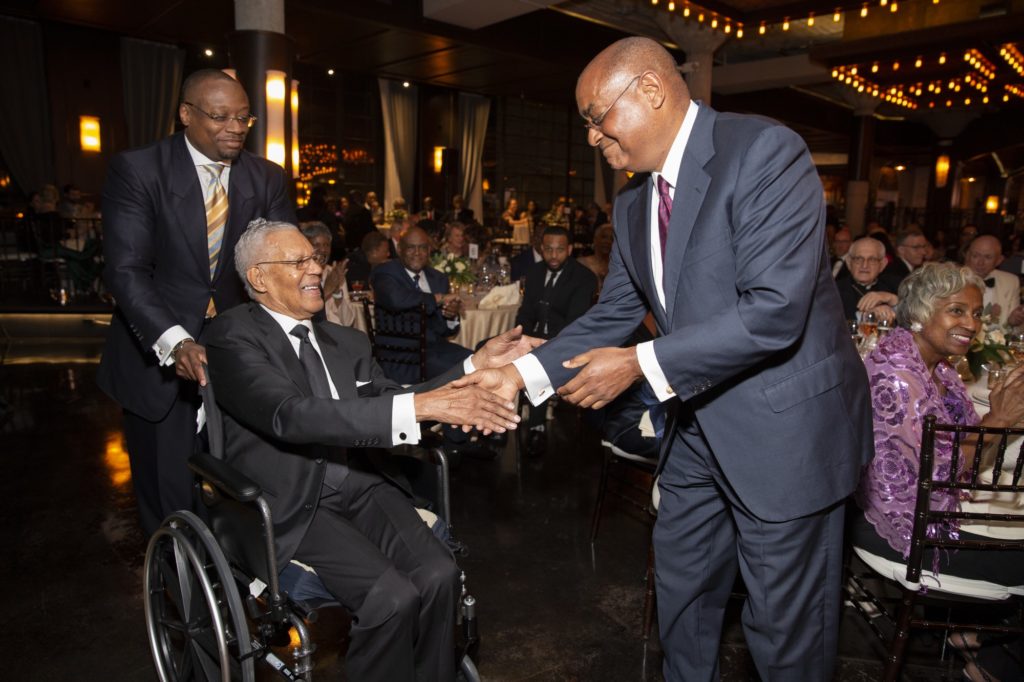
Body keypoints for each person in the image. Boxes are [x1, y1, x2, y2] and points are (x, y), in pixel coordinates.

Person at [456, 37, 871, 681]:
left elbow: (775, 311)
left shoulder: (763, 151)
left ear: (651, 89)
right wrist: (516, 374)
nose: (593, 138)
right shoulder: (631, 205)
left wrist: (641, 364)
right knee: (683, 600)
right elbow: (613, 312)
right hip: (698, 431)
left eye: (597, 117)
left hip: (785, 435)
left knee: (785, 633)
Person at [205, 219, 533, 682]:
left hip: (360, 483)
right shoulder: (233, 336)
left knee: (440, 574)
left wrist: (474, 363)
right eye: (298, 261)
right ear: (258, 277)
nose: (315, 268)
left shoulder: (347, 340)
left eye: (315, 258)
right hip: (294, 500)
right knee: (391, 596)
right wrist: (420, 406)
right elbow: (288, 415)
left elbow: (395, 397)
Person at [97, 69, 295, 536]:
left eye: (244, 117)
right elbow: (126, 271)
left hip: (236, 347)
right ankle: (177, 592)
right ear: (186, 114)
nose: (235, 127)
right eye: (220, 116)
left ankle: (236, 579)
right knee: (169, 492)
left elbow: (282, 261)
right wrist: (176, 342)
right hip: (157, 348)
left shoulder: (266, 177)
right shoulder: (139, 170)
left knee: (241, 478)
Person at [851, 263, 1024, 682]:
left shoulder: (938, 369)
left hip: (930, 516)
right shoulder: (896, 378)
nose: (971, 324)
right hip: (902, 533)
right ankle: (994, 664)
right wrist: (999, 421)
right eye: (957, 311)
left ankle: (980, 639)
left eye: (977, 313)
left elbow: (953, 456)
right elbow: (940, 470)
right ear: (922, 312)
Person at [515, 225, 597, 454]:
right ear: (541, 248)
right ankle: (495, 423)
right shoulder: (534, 272)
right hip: (533, 338)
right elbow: (526, 313)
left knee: (538, 364)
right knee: (485, 347)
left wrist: (538, 345)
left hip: (567, 342)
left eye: (559, 250)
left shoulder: (583, 277)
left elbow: (574, 324)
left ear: (569, 249)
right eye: (548, 249)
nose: (553, 255)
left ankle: (537, 427)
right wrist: (520, 336)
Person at [371, 227, 471, 384]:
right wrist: (438, 298)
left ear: (429, 250)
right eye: (411, 247)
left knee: (477, 361)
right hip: (401, 357)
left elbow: (444, 330)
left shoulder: (438, 278)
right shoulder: (386, 272)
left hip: (436, 350)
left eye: (423, 247)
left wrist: (450, 315)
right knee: (464, 373)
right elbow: (395, 299)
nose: (417, 252)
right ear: (399, 249)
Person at [299, 221, 356, 327]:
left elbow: (348, 321)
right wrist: (327, 289)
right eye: (317, 245)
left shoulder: (334, 273)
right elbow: (301, 315)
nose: (323, 250)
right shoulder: (300, 275)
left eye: (326, 245)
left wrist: (337, 292)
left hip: (337, 334)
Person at [836, 237, 898, 323]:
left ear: (882, 264)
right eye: (858, 259)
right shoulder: (834, 290)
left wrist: (892, 299)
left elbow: (912, 321)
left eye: (872, 259)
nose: (864, 265)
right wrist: (869, 316)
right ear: (849, 262)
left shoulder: (894, 286)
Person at [965, 235, 1020, 327]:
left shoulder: (1011, 282)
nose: (980, 263)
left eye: (987, 257)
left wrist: (1012, 323)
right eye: (975, 256)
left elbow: (1015, 331)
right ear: (967, 256)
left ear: (999, 260)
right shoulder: (952, 281)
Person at [578, 223, 613, 293]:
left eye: (612, 239)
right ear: (595, 239)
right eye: (604, 237)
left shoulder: (618, 267)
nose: (608, 241)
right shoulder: (581, 264)